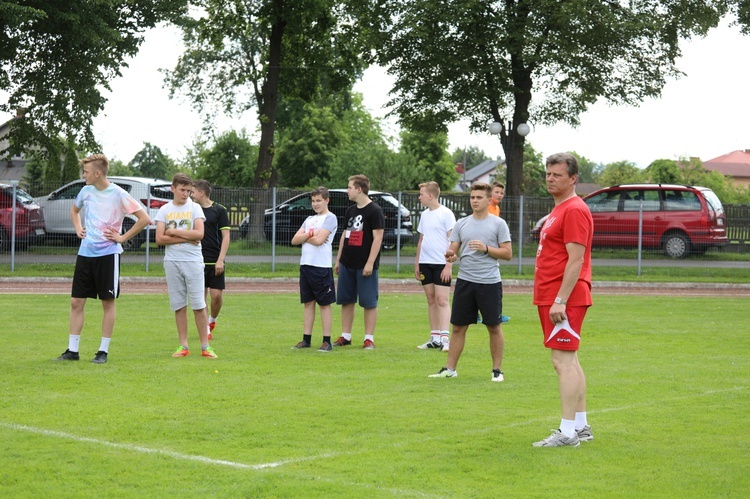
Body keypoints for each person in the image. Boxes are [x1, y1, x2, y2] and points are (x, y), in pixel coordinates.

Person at [55, 153, 151, 364]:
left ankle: (102, 352)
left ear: (98, 173)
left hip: (108, 255)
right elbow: (74, 210)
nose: (84, 175)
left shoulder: (118, 194)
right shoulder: (85, 190)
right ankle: (72, 350)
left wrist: (122, 238)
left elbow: (144, 218)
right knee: (76, 301)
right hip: (85, 254)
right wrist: (79, 228)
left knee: (107, 302)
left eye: (87, 172)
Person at [531, 152, 594, 448]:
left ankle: (567, 432)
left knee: (563, 361)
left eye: (557, 174)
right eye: (548, 173)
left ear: (573, 179)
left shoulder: (574, 209)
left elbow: (576, 259)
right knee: (571, 361)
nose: (551, 178)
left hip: (563, 297)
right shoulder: (559, 208)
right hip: (554, 294)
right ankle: (580, 426)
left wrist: (560, 299)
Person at [429, 182, 512, 381]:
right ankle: (450, 369)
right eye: (472, 197)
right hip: (465, 281)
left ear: (489, 199)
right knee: (458, 327)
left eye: (479, 197)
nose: (474, 200)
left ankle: (497, 371)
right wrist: (450, 255)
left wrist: (486, 248)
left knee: (493, 326)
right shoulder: (462, 224)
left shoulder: (498, 224)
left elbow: (507, 253)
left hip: (489, 283)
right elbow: (453, 249)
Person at [155, 173, 217, 359]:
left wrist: (173, 232)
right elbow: (159, 239)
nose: (185, 194)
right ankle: (183, 346)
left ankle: (205, 346)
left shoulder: (195, 208)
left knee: (199, 305)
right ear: (173, 189)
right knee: (179, 305)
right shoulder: (164, 210)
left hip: (193, 262)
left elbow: (199, 234)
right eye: (182, 190)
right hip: (172, 262)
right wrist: (184, 237)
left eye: (189, 191)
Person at [333, 174, 385, 350]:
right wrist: (339, 259)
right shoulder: (350, 210)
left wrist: (370, 263)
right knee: (346, 300)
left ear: (359, 189)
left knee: (369, 302)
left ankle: (369, 338)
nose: (347, 191)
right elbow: (345, 235)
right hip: (348, 263)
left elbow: (378, 238)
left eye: (349, 187)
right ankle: (345, 336)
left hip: (365, 265)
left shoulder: (375, 210)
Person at [290, 187, 338, 352]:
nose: (315, 204)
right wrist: (311, 234)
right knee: (308, 303)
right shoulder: (309, 219)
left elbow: (320, 240)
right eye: (313, 201)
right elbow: (295, 239)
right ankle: (306, 339)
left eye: (319, 200)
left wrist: (307, 236)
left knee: (324, 304)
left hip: (321, 267)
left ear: (326, 200)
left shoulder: (330, 218)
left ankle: (327, 341)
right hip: (306, 266)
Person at [414, 181, 456, 352]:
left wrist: (448, 265)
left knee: (442, 300)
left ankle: (446, 339)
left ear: (430, 195)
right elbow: (421, 239)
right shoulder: (424, 215)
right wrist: (417, 262)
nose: (419, 197)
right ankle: (435, 338)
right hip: (425, 263)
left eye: (421, 194)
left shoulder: (446, 214)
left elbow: (453, 242)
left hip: (441, 264)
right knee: (431, 299)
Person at [191, 180, 230, 340]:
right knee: (201, 298)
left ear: (201, 193)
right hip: (197, 260)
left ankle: (212, 320)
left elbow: (226, 236)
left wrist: (220, 259)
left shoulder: (219, 210)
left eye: (192, 192)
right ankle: (205, 329)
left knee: (216, 297)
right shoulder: (192, 210)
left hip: (215, 261)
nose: (190, 195)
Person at [487, 181, 511, 324]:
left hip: (492, 249)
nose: (499, 195)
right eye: (497, 192)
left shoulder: (496, 209)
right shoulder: (487, 207)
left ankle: (495, 313)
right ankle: (491, 314)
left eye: (502, 193)